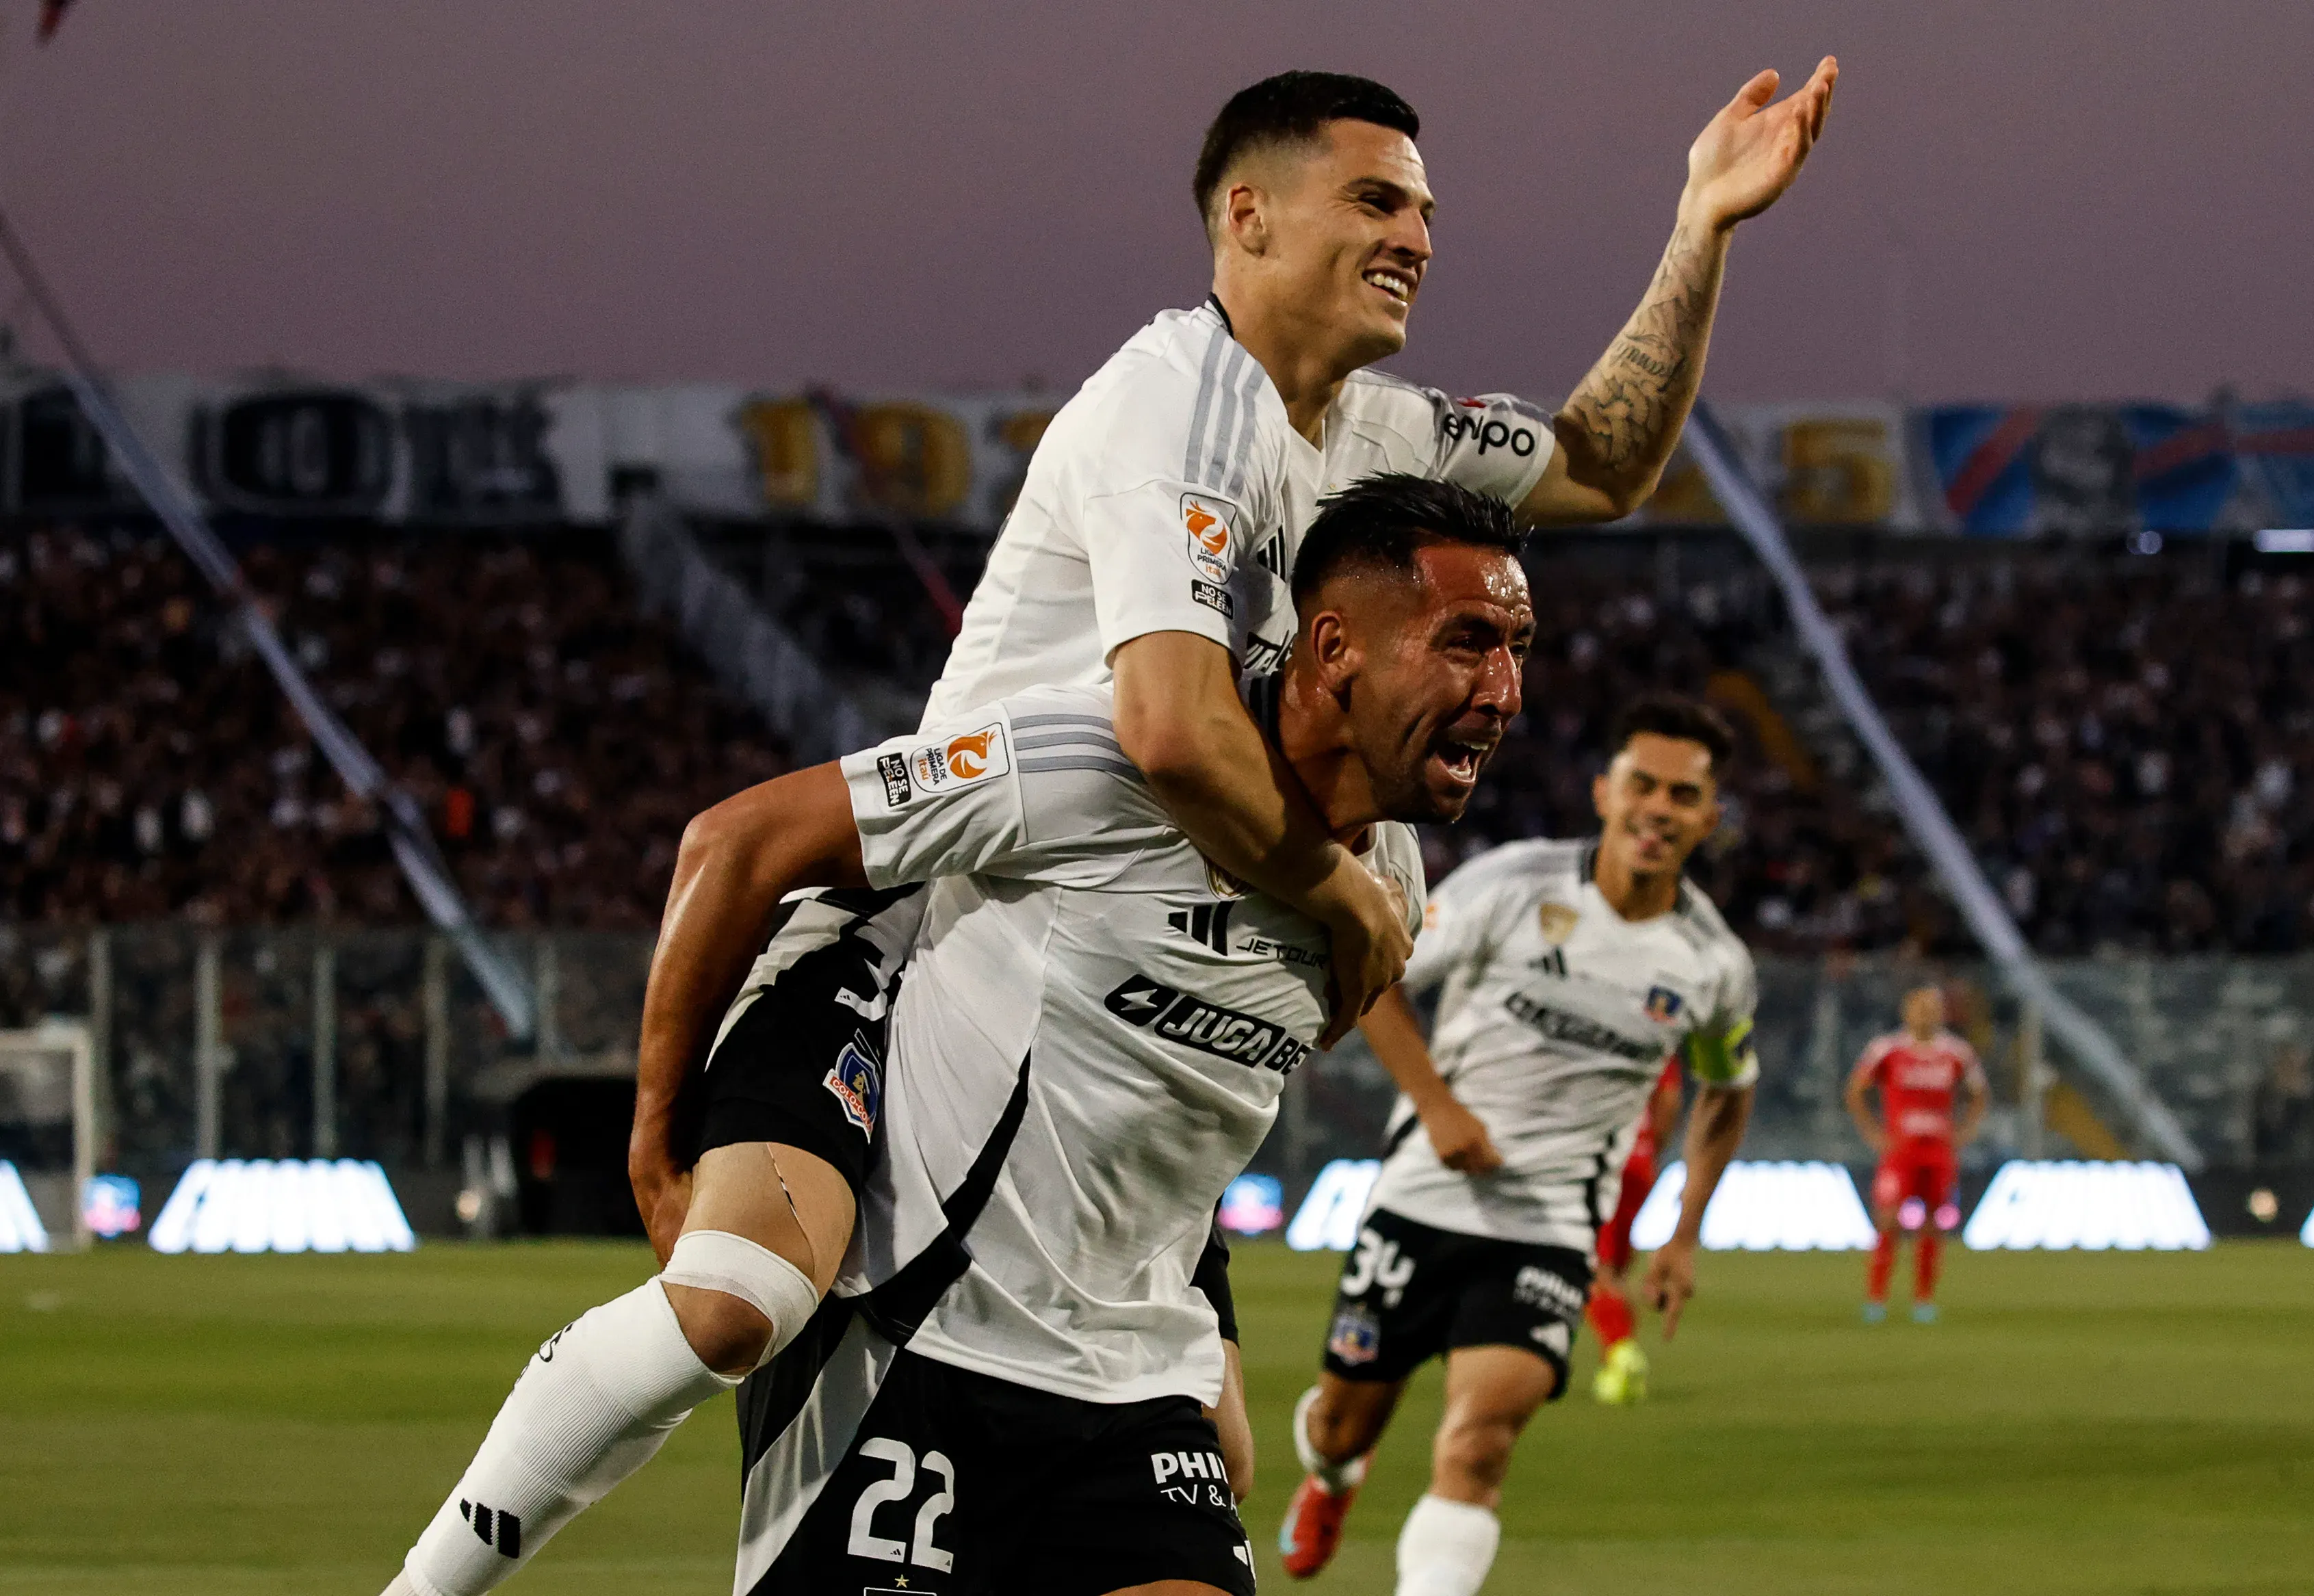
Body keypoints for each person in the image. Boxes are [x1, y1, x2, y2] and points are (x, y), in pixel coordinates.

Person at [606, 62, 1841, 1552]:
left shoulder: (1382, 438)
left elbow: (1603, 460)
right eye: (1375, 198)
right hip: (936, 965)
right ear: (1246, 218)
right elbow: (1176, 730)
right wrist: (1346, 900)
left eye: (1428, 210)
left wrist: (1702, 224)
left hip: (1130, 1003)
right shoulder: (1180, 400)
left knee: (1218, 1466)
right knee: (737, 1307)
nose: (1418, 236)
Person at [383, 475, 1531, 1596]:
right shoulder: (1100, 762)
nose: (1506, 687)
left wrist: (1204, 1312)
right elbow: (737, 845)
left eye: (1518, 646)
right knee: (733, 1301)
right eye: (1469, 639)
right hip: (914, 1321)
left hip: (1118, 1370)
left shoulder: (1387, 884)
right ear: (1334, 648)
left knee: (1225, 1459)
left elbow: (1186, 1089)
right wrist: (657, 1137)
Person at [1279, 696, 1761, 1595]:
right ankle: (1334, 1478)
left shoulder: (1712, 963)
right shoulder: (1512, 885)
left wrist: (1686, 1232)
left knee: (1479, 1443)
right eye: (1643, 785)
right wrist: (1437, 1106)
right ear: (1605, 792)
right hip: (1420, 1197)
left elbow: (1728, 1088)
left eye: (1683, 795)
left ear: (1708, 816)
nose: (1659, 808)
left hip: (1549, 1227)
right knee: (1344, 1424)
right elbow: (1375, 967)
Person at [1845, 985, 1988, 1324]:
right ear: (1906, 1012)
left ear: (1942, 1014)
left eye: (1933, 1008)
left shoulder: (1957, 1053)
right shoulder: (1886, 1049)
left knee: (1933, 1224)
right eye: (1920, 1008)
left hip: (1938, 1152)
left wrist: (1965, 1131)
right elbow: (1855, 1091)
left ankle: (1923, 1299)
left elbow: (1979, 1094)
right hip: (1901, 1152)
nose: (1926, 1014)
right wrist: (1873, 1133)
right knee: (1888, 1219)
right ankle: (1876, 1297)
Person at [1584, 1054, 1684, 1404]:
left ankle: (1621, 1352)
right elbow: (1670, 1097)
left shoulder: (1594, 1033)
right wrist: (1653, 1146)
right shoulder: (1657, 1037)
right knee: (1619, 1269)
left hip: (1602, 1163)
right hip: (1640, 1165)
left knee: (1595, 1270)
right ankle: (1619, 1371)